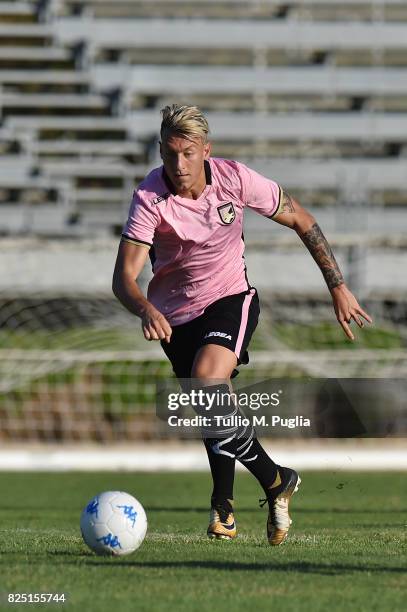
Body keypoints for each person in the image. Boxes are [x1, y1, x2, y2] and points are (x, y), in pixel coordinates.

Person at [112, 104, 372, 546]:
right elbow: (123, 278)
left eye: (189, 153)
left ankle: (249, 493)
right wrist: (145, 309)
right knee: (212, 407)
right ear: (160, 150)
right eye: (170, 154)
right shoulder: (149, 198)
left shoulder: (235, 178)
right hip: (174, 315)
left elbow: (302, 220)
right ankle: (256, 491)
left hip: (232, 298)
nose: (179, 165)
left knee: (207, 379)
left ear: (206, 151)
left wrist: (338, 286)